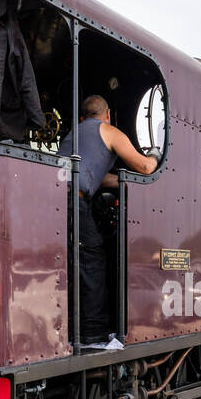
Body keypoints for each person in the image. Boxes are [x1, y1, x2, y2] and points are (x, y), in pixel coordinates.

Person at [58, 95, 159, 347]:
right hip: (74, 202)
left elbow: (96, 177)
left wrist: (123, 180)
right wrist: (155, 156)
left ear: (82, 118)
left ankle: (70, 330)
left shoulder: (72, 136)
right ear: (108, 115)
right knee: (92, 259)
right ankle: (92, 336)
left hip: (55, 200)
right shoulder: (110, 132)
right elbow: (145, 167)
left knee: (71, 264)